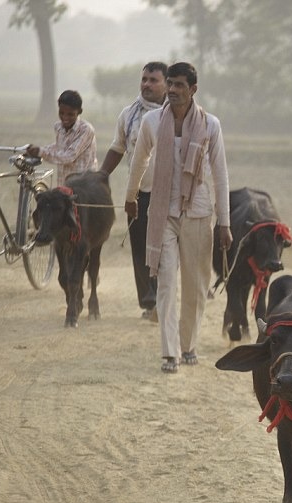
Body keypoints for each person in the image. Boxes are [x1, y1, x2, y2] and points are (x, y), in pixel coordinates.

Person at [125, 61, 232, 373]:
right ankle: (169, 352)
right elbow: (139, 161)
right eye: (169, 84)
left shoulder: (210, 125)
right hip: (163, 214)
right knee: (166, 283)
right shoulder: (152, 122)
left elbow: (221, 175)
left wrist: (224, 222)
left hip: (198, 213)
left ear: (193, 89)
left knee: (196, 287)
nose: (171, 90)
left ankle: (189, 345)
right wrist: (131, 197)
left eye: (179, 85)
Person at [100, 62, 168, 321]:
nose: (147, 85)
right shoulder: (128, 115)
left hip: (168, 194)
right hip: (138, 193)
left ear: (166, 84)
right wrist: (101, 175)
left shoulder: (177, 115)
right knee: (140, 248)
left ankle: (163, 299)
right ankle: (150, 303)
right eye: (144, 79)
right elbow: (118, 148)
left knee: (164, 248)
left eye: (153, 80)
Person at [27, 90, 97, 187]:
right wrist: (38, 150)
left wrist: (41, 152)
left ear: (79, 112)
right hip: (63, 182)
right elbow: (59, 146)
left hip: (83, 185)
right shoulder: (58, 127)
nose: (65, 117)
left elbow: (69, 156)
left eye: (70, 114)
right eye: (62, 113)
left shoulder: (85, 130)